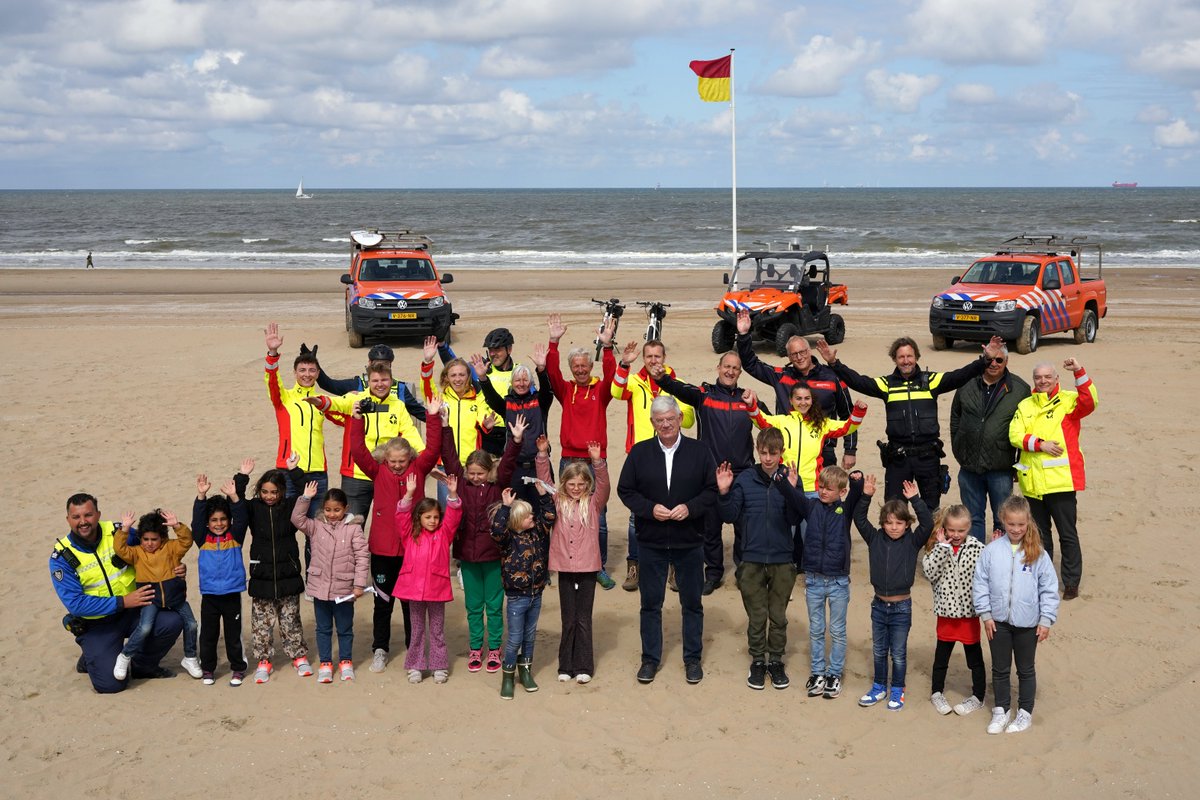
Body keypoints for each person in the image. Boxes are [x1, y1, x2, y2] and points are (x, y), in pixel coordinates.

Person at [816, 334, 1005, 508]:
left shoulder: (932, 381)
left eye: (910, 356)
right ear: (894, 359)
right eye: (901, 357)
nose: (906, 361)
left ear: (916, 357)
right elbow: (857, 381)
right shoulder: (886, 384)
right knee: (895, 508)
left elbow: (961, 375)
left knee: (931, 507)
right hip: (898, 458)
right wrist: (834, 362)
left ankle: (931, 544)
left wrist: (985, 359)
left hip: (928, 457)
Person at [617, 395, 717, 685]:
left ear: (678, 420)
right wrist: (649, 509)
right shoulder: (639, 452)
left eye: (670, 419)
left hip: (689, 541)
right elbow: (626, 490)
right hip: (652, 541)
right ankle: (650, 660)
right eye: (659, 420)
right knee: (650, 604)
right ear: (652, 423)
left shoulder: (699, 451)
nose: (665, 424)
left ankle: (692, 659)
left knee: (692, 603)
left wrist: (691, 508)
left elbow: (711, 490)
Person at [52, 493, 184, 693]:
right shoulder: (62, 556)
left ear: (98, 514)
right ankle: (90, 655)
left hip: (135, 611)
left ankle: (143, 666)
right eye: (76, 517)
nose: (83, 522)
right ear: (68, 519)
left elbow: (156, 549)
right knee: (111, 685)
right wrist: (122, 601)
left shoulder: (120, 533)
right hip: (98, 622)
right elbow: (76, 604)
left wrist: (176, 567)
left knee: (172, 621)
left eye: (88, 515)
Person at [350, 396, 444, 673]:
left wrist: (433, 416)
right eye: (392, 461)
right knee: (383, 602)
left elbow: (434, 447)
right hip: (382, 550)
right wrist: (357, 420)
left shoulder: (419, 468)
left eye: (402, 460)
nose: (397, 465)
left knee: (410, 604)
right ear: (385, 459)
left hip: (413, 549)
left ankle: (412, 648)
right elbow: (358, 451)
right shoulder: (376, 471)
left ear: (410, 459)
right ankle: (380, 649)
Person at [652, 352, 754, 595]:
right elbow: (680, 389)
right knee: (710, 528)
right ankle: (714, 573)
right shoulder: (704, 395)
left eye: (735, 368)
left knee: (743, 527)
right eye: (727, 367)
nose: (730, 371)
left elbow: (770, 424)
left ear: (740, 372)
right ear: (718, 367)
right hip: (711, 472)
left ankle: (742, 571)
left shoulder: (747, 399)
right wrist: (661, 378)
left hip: (741, 473)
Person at [716, 428, 807, 691]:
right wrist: (723, 492)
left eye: (773, 453)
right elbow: (730, 515)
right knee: (757, 616)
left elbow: (794, 518)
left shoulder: (790, 478)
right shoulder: (744, 479)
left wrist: (790, 490)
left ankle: (775, 661)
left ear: (781, 453)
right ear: (757, 450)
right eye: (764, 452)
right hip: (751, 559)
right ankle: (758, 661)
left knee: (778, 617)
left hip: (782, 560)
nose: (768, 458)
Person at [441, 412, 523, 675]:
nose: (476, 477)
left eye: (481, 473)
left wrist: (516, 441)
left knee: (494, 607)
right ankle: (476, 647)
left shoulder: (497, 486)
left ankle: (495, 649)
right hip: (467, 555)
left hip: (493, 555)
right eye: (472, 473)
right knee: (473, 607)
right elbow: (450, 458)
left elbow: (509, 463)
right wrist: (445, 426)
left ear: (490, 472)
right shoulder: (461, 485)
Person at [611, 338, 696, 591]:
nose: (653, 361)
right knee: (637, 514)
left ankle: (673, 569)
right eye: (648, 357)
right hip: (640, 456)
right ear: (644, 359)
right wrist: (624, 365)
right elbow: (617, 392)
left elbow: (689, 420)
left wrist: (679, 409)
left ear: (664, 358)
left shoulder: (675, 384)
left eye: (657, 356)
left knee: (672, 511)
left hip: (671, 452)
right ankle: (634, 566)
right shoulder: (635, 382)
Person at [1009, 358, 1098, 600]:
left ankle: (1070, 582)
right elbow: (1015, 435)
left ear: (1057, 379)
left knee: (1067, 534)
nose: (1043, 381)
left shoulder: (1068, 400)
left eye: (1048, 377)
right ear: (1033, 380)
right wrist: (1040, 444)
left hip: (1061, 482)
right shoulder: (1025, 405)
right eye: (1038, 377)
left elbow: (1090, 401)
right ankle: (1044, 579)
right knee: (1040, 536)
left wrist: (1079, 370)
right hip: (1033, 484)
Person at [974, 495, 1060, 734]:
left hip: (1028, 623)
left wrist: (1045, 620)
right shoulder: (991, 551)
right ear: (1003, 520)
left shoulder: (1037, 553)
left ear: (1028, 522)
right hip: (997, 622)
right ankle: (1001, 710)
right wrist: (986, 614)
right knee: (1000, 669)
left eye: (1020, 524)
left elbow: (1049, 588)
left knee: (1025, 669)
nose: (1016, 529)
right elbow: (980, 583)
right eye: (1011, 524)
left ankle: (1024, 713)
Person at [545, 313, 618, 590]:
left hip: (596, 459)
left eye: (584, 365)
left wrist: (608, 347)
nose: (580, 370)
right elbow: (552, 374)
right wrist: (554, 342)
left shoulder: (601, 390)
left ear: (590, 365)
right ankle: (563, 562)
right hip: (568, 458)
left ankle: (598, 567)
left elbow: (613, 377)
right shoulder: (566, 391)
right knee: (565, 515)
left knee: (598, 516)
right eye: (575, 366)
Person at [735, 308, 857, 469]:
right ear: (789, 357)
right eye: (794, 355)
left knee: (823, 493)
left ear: (809, 350)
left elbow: (847, 413)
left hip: (822, 449)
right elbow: (751, 364)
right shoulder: (781, 376)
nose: (799, 358)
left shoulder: (832, 377)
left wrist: (850, 450)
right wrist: (743, 335)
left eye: (802, 352)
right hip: (785, 448)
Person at [852, 475, 934, 711]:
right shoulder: (875, 538)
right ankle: (879, 687)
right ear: (882, 524)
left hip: (901, 608)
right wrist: (866, 495)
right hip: (878, 606)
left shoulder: (912, 541)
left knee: (897, 653)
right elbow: (858, 518)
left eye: (899, 523)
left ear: (907, 524)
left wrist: (915, 499)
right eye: (889, 523)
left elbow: (927, 524)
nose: (894, 528)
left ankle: (897, 690)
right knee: (879, 651)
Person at [306, 361, 425, 519]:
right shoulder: (356, 399)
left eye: (384, 380)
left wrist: (424, 458)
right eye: (375, 381)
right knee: (351, 527)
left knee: (388, 521)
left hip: (386, 473)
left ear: (391, 381)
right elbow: (336, 403)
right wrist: (320, 401)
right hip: (356, 475)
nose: (380, 384)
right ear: (368, 382)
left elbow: (410, 433)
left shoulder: (398, 406)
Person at [537, 432, 609, 684]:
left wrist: (597, 462)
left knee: (583, 618)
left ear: (586, 485)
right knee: (568, 618)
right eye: (571, 484)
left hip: (588, 568)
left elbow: (604, 486)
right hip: (565, 568)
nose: (576, 488)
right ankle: (565, 666)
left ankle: (584, 666)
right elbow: (544, 481)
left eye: (580, 484)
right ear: (565, 484)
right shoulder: (558, 501)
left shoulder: (593, 503)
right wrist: (543, 455)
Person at [234, 458, 311, 684]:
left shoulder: (289, 506)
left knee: (291, 621)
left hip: (288, 572)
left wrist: (294, 469)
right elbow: (236, 502)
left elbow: (306, 489)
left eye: (274, 492)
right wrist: (242, 475)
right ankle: (264, 661)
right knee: (261, 623)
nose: (269, 496)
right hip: (262, 575)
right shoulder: (253, 508)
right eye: (265, 492)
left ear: (282, 492)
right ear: (259, 491)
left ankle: (298, 656)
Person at [950, 345, 1030, 542]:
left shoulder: (1020, 389)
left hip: (1000, 467)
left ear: (1006, 362)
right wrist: (959, 448)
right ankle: (976, 562)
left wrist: (1018, 465)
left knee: (1003, 519)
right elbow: (955, 418)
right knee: (973, 519)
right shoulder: (966, 383)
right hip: (969, 467)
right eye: (989, 360)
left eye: (999, 360)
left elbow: (1028, 426)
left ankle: (1000, 565)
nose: (993, 364)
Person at [796, 465, 863, 700]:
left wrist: (858, 479)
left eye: (829, 489)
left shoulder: (845, 511)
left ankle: (833, 674)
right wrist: (788, 481)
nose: (823, 492)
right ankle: (817, 673)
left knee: (837, 630)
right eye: (821, 487)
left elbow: (856, 493)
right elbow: (792, 496)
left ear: (841, 492)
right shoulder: (811, 507)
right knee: (816, 629)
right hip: (813, 579)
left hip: (838, 582)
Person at [292, 484, 370, 684]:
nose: (332, 514)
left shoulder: (353, 529)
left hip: (344, 590)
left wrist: (359, 584)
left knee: (344, 629)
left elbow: (362, 557)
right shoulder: (316, 526)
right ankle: (326, 663)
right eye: (328, 510)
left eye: (337, 510)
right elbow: (297, 519)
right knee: (323, 628)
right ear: (323, 509)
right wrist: (305, 498)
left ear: (345, 509)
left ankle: (346, 662)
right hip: (320, 588)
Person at [112, 509, 201, 681]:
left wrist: (176, 525)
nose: (150, 543)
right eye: (146, 539)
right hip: (151, 598)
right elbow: (120, 549)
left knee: (191, 624)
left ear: (162, 538)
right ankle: (125, 656)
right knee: (145, 627)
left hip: (175, 597)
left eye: (154, 539)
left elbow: (187, 540)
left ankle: (190, 658)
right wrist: (124, 529)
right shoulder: (137, 553)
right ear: (140, 538)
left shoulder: (171, 548)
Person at [393, 473, 463, 684]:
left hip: (436, 588)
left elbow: (453, 515)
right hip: (413, 589)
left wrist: (452, 493)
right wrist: (410, 493)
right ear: (419, 518)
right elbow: (401, 514)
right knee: (417, 630)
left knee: (437, 630)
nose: (432, 521)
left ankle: (439, 665)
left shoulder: (444, 533)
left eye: (435, 517)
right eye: (428, 517)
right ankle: (415, 665)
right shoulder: (410, 533)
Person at [491, 484, 556, 699]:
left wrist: (543, 495)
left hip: (536, 593)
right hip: (517, 596)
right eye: (528, 516)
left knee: (529, 636)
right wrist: (505, 507)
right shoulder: (508, 539)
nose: (533, 517)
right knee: (515, 638)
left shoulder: (538, 532)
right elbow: (497, 530)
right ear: (517, 520)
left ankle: (525, 671)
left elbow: (549, 516)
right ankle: (507, 677)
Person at [921, 504, 987, 717]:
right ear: (944, 528)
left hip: (969, 615)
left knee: (974, 659)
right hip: (946, 615)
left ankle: (978, 696)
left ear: (969, 528)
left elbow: (989, 575)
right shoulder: (936, 548)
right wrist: (942, 548)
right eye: (952, 530)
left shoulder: (979, 549)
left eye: (961, 530)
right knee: (941, 658)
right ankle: (936, 692)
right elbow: (930, 573)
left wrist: (995, 548)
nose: (956, 535)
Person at [749, 384, 867, 492]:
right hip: (785, 484)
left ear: (812, 400)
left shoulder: (822, 424)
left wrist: (858, 412)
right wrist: (751, 404)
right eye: (798, 398)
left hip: (812, 489)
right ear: (791, 400)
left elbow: (847, 427)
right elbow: (761, 420)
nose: (803, 402)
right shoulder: (781, 421)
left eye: (807, 398)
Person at [472, 349, 555, 505]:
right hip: (514, 467)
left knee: (543, 508)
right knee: (514, 511)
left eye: (525, 380)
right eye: (517, 380)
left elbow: (547, 390)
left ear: (530, 383)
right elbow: (491, 397)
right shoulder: (507, 404)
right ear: (511, 383)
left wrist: (542, 370)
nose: (521, 383)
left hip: (539, 465)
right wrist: (482, 377)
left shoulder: (540, 402)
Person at [263, 322, 328, 519]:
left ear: (317, 374)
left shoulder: (322, 402)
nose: (307, 374)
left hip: (317, 473)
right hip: (287, 471)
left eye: (311, 370)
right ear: (295, 372)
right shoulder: (284, 398)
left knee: (316, 530)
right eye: (302, 370)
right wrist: (272, 354)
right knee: (286, 525)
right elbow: (272, 381)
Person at [192, 470, 250, 686]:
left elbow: (242, 517)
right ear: (208, 522)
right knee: (208, 635)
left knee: (234, 635)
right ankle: (207, 669)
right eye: (214, 520)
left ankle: (238, 668)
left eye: (223, 519)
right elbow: (196, 521)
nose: (219, 523)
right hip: (209, 595)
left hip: (232, 593)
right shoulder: (202, 538)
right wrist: (201, 497)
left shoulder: (235, 536)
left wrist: (234, 497)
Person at [308, 341, 428, 423]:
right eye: (377, 363)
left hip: (392, 451)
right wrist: (313, 364)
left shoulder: (400, 388)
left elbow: (420, 413)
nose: (380, 368)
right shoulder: (358, 384)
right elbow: (328, 384)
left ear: (390, 365)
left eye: (385, 364)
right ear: (369, 363)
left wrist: (443, 423)